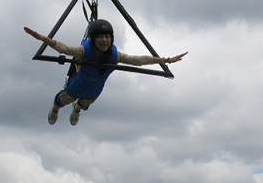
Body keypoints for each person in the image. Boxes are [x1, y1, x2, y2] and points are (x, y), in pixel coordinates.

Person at [24, 19, 187, 125]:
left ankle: (77, 109)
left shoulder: (114, 56)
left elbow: (137, 60)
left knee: (83, 105)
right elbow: (63, 48)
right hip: (77, 86)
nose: (104, 40)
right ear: (93, 39)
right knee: (60, 101)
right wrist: (42, 38)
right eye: (100, 37)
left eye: (107, 37)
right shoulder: (83, 51)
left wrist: (164, 60)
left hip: (94, 91)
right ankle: (55, 110)